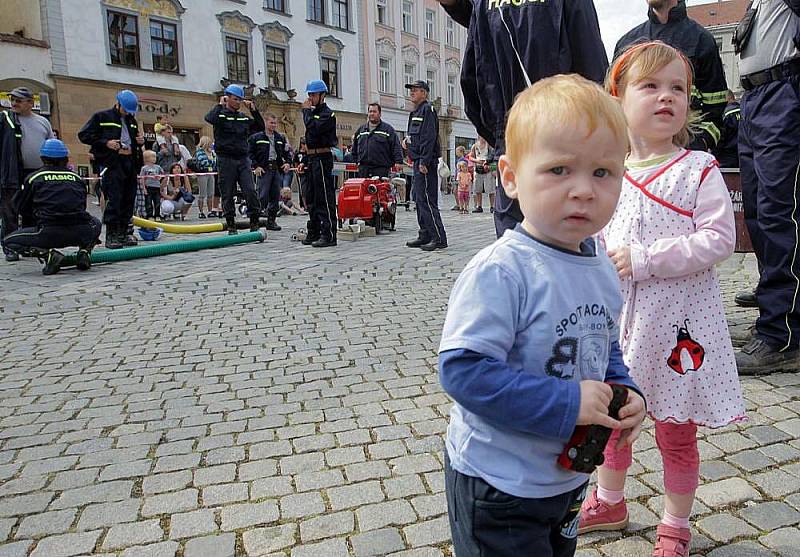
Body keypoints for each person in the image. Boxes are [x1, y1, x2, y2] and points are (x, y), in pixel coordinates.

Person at [439, 74, 645, 557]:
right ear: (510, 177)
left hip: (565, 478)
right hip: (499, 483)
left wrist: (625, 388)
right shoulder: (503, 271)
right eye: (558, 170)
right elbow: (462, 370)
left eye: (602, 172)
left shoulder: (600, 265)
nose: (583, 191)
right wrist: (565, 402)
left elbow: (603, 346)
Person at [579, 42, 745, 557]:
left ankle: (674, 525)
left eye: (678, 89)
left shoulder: (697, 167)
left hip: (678, 330)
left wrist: (647, 258)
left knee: (676, 433)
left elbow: (720, 239)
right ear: (618, 97)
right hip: (619, 327)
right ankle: (610, 500)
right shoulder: (609, 170)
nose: (666, 97)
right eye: (650, 86)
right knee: (611, 422)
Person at [438, 0, 609, 238]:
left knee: (515, 243)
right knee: (570, 239)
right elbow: (593, 68)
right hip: (564, 138)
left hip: (513, 138)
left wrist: (500, 132)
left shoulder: (485, 4)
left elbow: (473, 82)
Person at [732, 0, 800, 372]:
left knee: (779, 211)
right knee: (757, 212)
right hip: (755, 99)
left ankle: (783, 333)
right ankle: (775, 307)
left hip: (783, 92)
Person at [614, 0, 728, 153]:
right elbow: (612, 107)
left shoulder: (702, 40)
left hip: (684, 157)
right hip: (632, 157)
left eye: (677, 87)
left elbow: (716, 111)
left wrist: (698, 144)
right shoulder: (627, 44)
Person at [5, 139, 101, 275]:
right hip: (80, 231)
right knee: (96, 223)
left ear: (43, 159)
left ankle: (48, 255)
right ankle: (85, 251)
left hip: (49, 233)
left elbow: (21, 207)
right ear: (66, 159)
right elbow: (81, 205)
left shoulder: (34, 178)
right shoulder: (77, 178)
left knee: (8, 242)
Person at [78, 89, 145, 249]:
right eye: (126, 110)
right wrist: (106, 143)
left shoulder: (131, 120)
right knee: (114, 199)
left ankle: (124, 233)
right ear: (118, 104)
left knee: (129, 199)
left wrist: (140, 141)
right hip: (113, 163)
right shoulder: (102, 117)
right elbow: (84, 135)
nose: (128, 113)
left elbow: (133, 140)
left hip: (130, 162)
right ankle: (112, 234)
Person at [205, 84, 263, 234]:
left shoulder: (243, 118)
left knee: (250, 190)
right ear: (227, 98)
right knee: (227, 192)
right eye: (235, 99)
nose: (238, 102)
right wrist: (220, 104)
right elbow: (209, 118)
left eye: (240, 99)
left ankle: (254, 221)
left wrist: (253, 110)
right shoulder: (220, 115)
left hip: (243, 159)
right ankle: (231, 224)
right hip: (226, 159)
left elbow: (259, 126)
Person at [403, 80, 447, 251]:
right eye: (411, 90)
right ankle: (425, 234)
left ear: (424, 93)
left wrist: (424, 161)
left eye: (415, 90)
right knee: (419, 200)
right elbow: (415, 136)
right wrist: (407, 143)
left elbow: (429, 137)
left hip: (425, 163)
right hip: (417, 161)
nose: (412, 92)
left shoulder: (428, 110)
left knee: (428, 200)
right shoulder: (414, 112)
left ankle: (438, 237)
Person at [300, 80, 338, 248]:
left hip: (323, 158)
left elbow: (314, 129)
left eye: (313, 95)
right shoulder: (313, 113)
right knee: (312, 198)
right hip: (312, 157)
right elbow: (309, 139)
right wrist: (305, 160)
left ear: (322, 95)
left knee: (324, 197)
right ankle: (314, 229)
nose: (310, 98)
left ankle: (328, 234)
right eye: (309, 95)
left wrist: (306, 112)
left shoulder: (327, 114)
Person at [248, 112, 290, 231]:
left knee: (275, 196)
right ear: (265, 122)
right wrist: (255, 166)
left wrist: (287, 163)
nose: (273, 125)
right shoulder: (256, 138)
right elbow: (250, 153)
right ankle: (254, 221)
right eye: (271, 123)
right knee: (262, 196)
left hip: (276, 168)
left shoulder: (279, 138)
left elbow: (287, 152)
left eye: (275, 123)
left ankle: (271, 221)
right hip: (264, 169)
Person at [352, 102, 403, 179]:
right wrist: (356, 161)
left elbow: (396, 146)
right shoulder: (361, 130)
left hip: (381, 169)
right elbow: (354, 148)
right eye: (370, 111)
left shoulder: (388, 130)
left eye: (374, 111)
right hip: (364, 169)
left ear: (380, 114)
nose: (372, 114)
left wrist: (398, 161)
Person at [713, 90, 740, 169]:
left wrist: (714, 154)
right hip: (743, 156)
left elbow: (721, 138)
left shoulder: (725, 114)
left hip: (726, 158)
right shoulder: (745, 111)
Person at [468, 136, 495, 213]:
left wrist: (493, 169)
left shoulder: (489, 145)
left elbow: (493, 156)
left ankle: (492, 206)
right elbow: (470, 157)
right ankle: (479, 206)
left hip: (488, 169)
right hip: (478, 169)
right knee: (477, 188)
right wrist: (477, 161)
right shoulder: (475, 146)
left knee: (490, 189)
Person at [139, 150, 165, 220]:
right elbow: (142, 179)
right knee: (148, 202)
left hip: (156, 187)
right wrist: (143, 188)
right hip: (148, 187)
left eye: (155, 157)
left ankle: (157, 215)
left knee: (157, 202)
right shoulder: (144, 168)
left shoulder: (158, 167)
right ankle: (149, 215)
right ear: (147, 158)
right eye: (152, 157)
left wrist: (159, 177)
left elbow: (163, 174)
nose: (154, 158)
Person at [194, 136, 216, 218]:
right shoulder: (199, 152)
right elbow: (203, 162)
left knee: (211, 193)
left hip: (211, 173)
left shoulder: (212, 152)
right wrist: (211, 160)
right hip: (202, 174)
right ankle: (201, 211)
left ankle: (210, 211)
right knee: (202, 193)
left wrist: (211, 157)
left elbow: (215, 163)